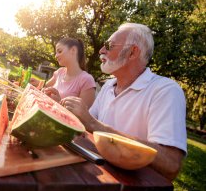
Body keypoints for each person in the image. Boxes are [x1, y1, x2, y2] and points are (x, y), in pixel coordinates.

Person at [61, 23, 187, 181]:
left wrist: (95, 125)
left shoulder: (165, 91)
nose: (101, 50)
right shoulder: (108, 86)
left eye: (109, 45)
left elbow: (171, 164)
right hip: (96, 174)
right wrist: (58, 105)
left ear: (132, 52)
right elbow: (84, 127)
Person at [31, 38, 96, 107]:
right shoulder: (60, 72)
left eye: (59, 51)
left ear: (73, 50)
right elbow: (45, 86)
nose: (56, 56)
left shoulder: (87, 80)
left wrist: (59, 103)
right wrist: (37, 83)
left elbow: (82, 115)